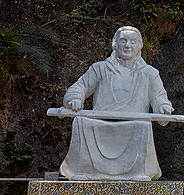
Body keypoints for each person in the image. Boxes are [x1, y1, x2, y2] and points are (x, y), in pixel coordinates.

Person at [59, 26, 174, 180]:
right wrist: (76, 98)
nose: (128, 45)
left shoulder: (149, 73)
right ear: (115, 44)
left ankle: (137, 172)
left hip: (135, 123)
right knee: (80, 122)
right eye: (123, 41)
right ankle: (85, 171)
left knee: (143, 125)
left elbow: (159, 97)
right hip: (98, 123)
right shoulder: (100, 69)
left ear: (140, 45)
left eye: (133, 42)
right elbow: (79, 87)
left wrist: (163, 107)